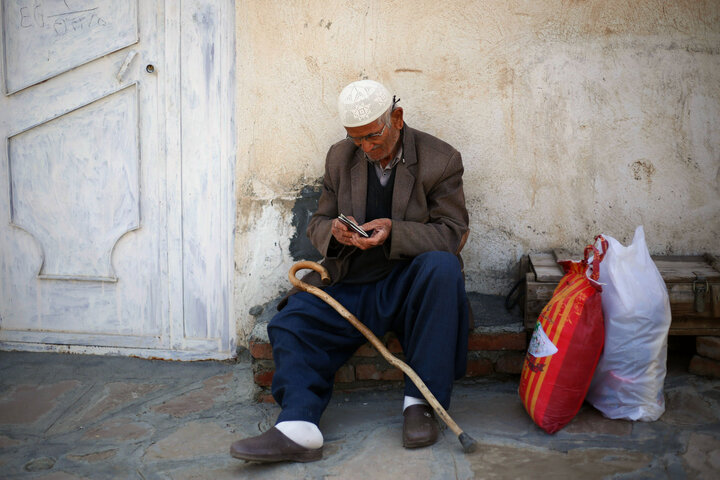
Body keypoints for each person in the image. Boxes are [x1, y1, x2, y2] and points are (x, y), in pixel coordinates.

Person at [231, 79, 470, 463]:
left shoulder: (440, 159)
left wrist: (395, 233)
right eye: (356, 140)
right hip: (352, 279)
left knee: (442, 268)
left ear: (396, 117)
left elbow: (452, 234)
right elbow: (319, 221)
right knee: (290, 322)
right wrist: (336, 233)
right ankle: (298, 428)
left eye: (373, 137)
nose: (366, 148)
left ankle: (420, 404)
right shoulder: (341, 157)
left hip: (412, 285)